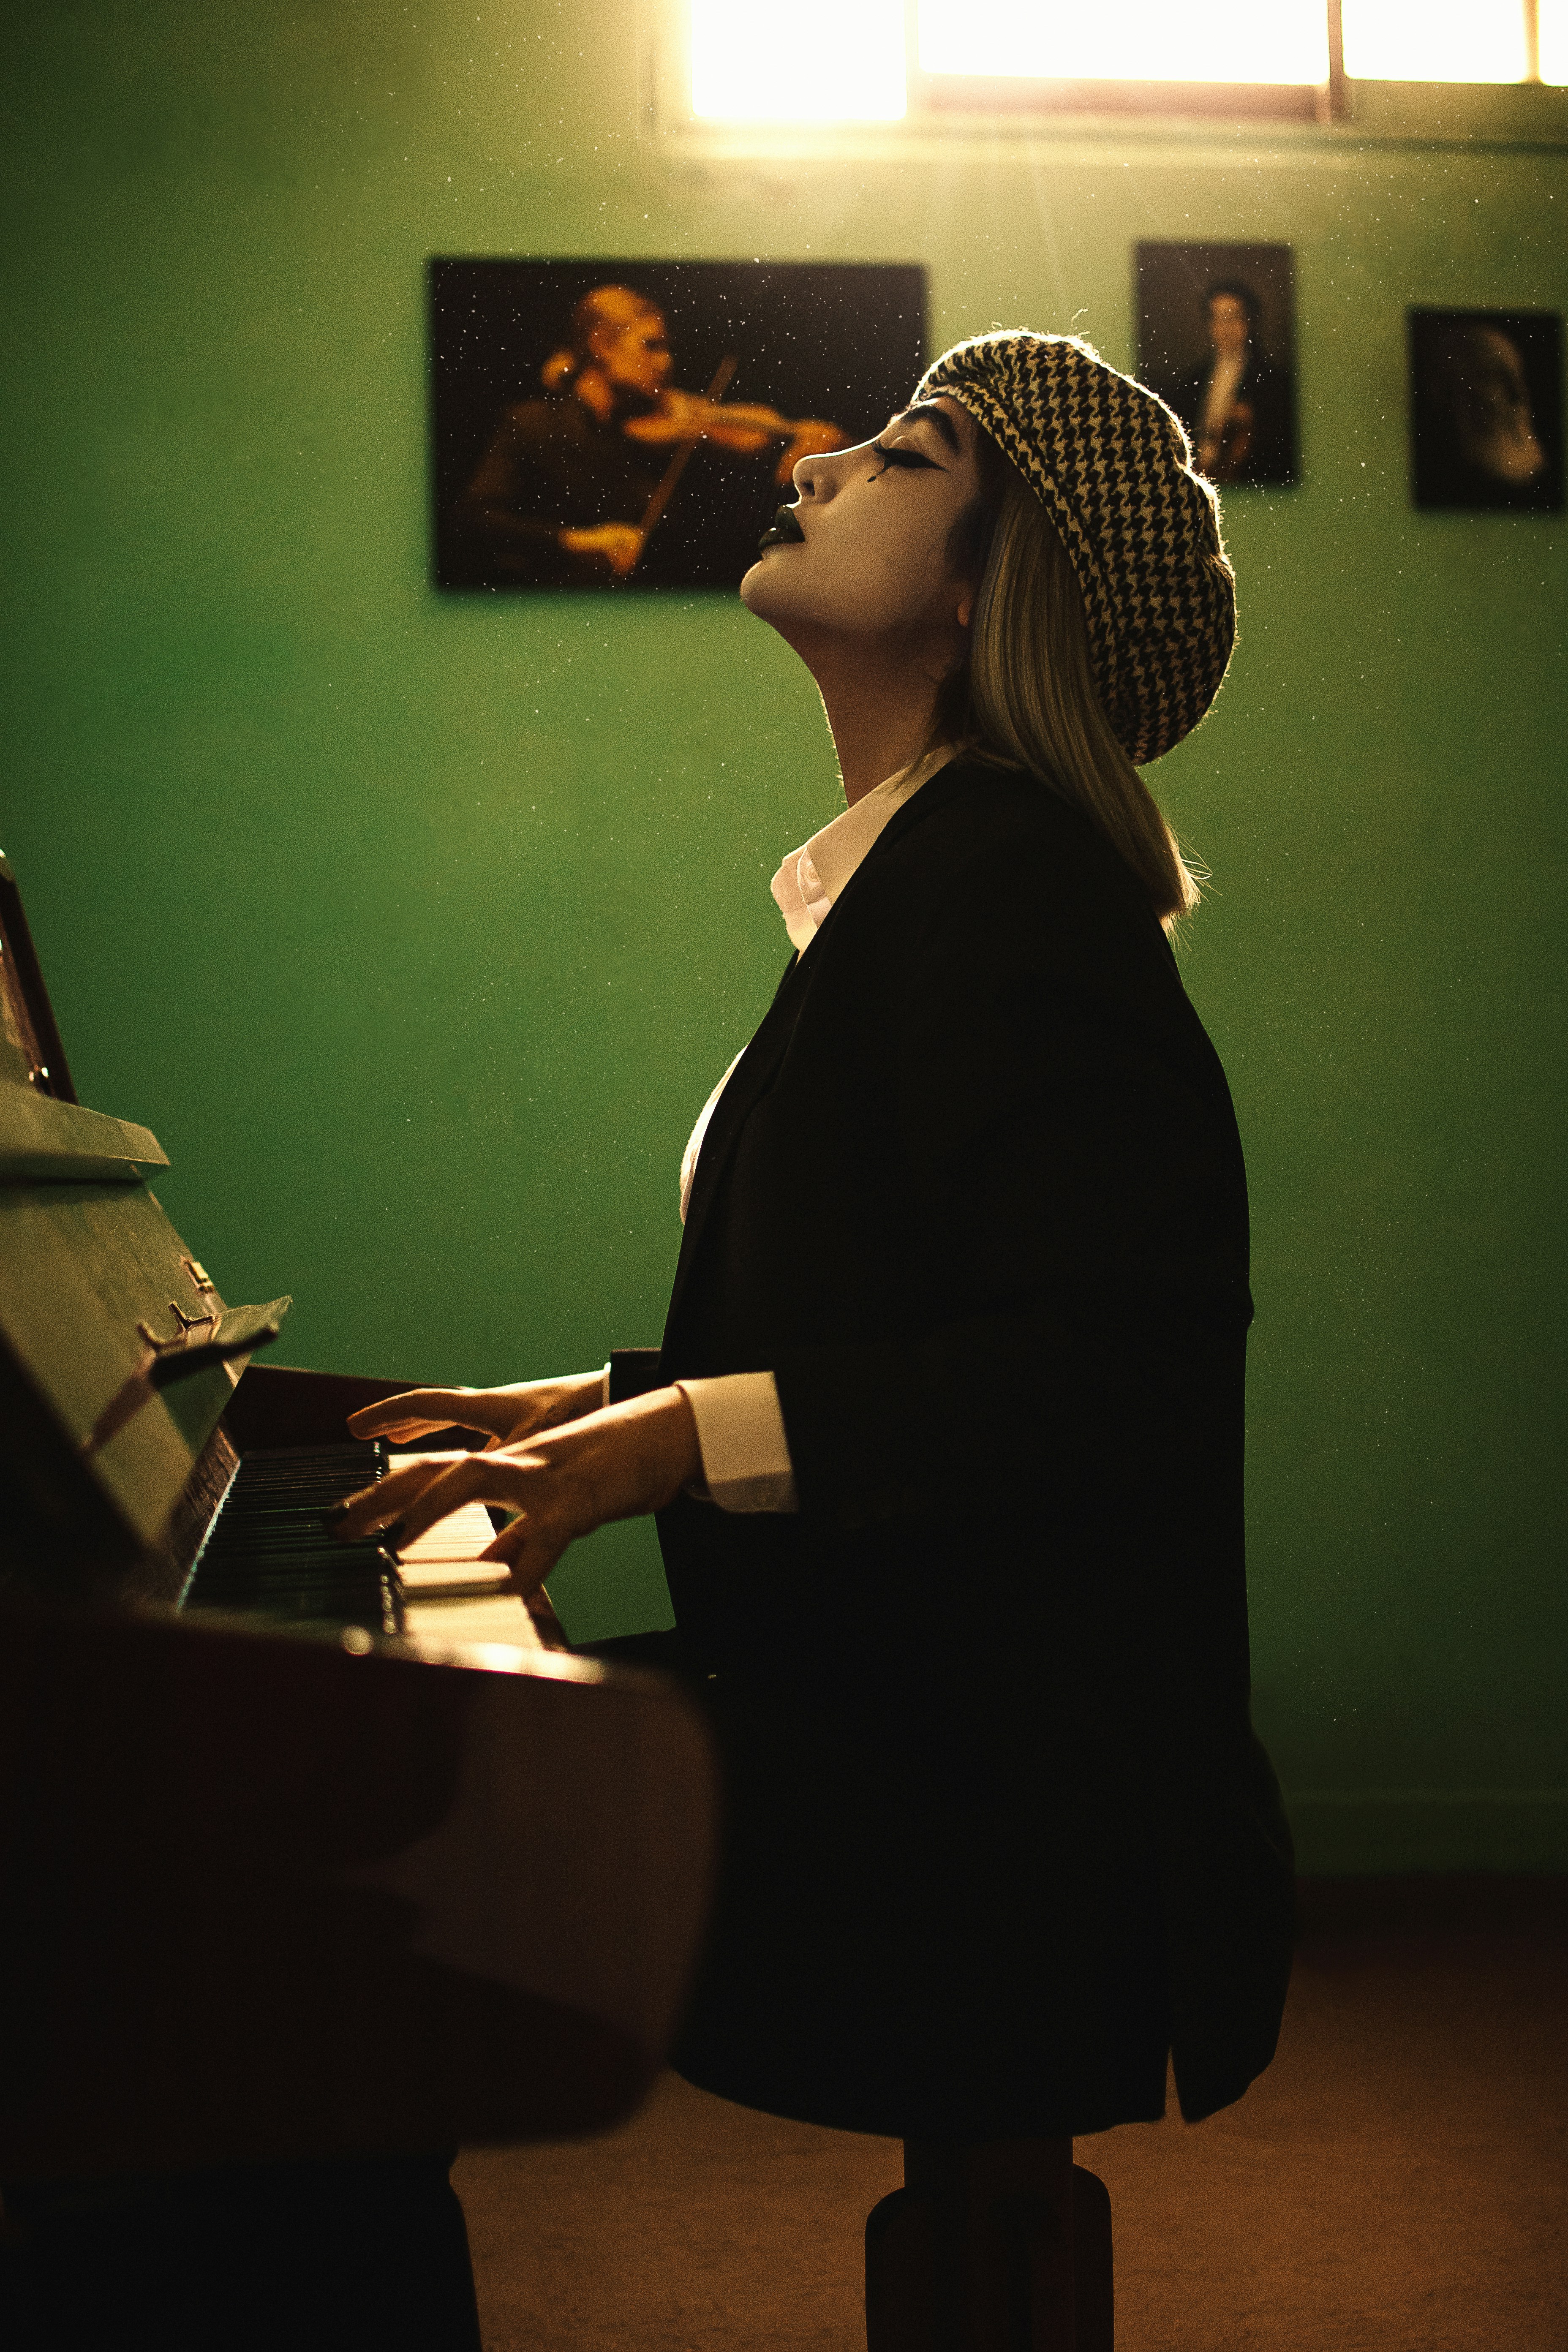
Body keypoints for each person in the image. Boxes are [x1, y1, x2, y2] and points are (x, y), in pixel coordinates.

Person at [340, 331, 1295, 2344]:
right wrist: (590, 1406)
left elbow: (1091, 1375)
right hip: (913, 1721)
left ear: (982, 585)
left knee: (343, 1866)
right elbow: (895, 1325)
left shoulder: (1007, 885)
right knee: (357, 1847)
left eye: (907, 448)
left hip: (986, 1802)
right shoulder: (928, 885)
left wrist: (665, 1446)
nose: (817, 453)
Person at [455, 282, 847, 583]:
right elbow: (478, 517)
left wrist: (796, 433)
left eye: (667, 348)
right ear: (601, 347)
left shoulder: (674, 422)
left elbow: (747, 436)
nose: (666, 361)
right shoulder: (532, 423)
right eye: (651, 346)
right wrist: (578, 541)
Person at [1168, 280, 1295, 487]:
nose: (1225, 328)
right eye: (1218, 319)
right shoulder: (1193, 378)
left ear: (1250, 322)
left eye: (1234, 318)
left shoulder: (1272, 380)